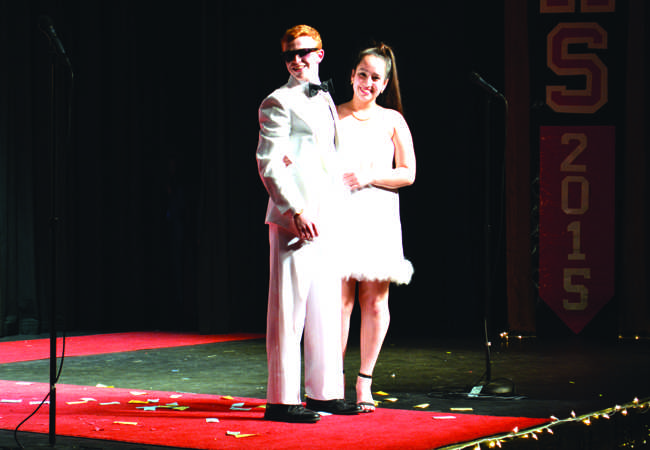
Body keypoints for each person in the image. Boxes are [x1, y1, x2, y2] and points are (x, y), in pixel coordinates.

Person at [256, 24, 360, 423]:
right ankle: (282, 399)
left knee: (324, 307)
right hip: (295, 218)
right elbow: (268, 162)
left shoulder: (327, 98)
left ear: (320, 53)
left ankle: (324, 392)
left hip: (328, 214)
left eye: (304, 52)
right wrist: (296, 209)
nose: (297, 60)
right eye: (289, 55)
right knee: (288, 309)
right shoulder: (277, 101)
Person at [336, 43, 416, 413]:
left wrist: (369, 176)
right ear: (352, 75)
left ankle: (364, 381)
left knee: (375, 300)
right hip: (341, 214)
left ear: (384, 84)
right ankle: (330, 381)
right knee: (339, 302)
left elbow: (408, 173)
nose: (367, 82)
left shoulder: (392, 120)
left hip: (379, 215)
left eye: (375, 78)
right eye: (362, 74)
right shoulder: (333, 116)